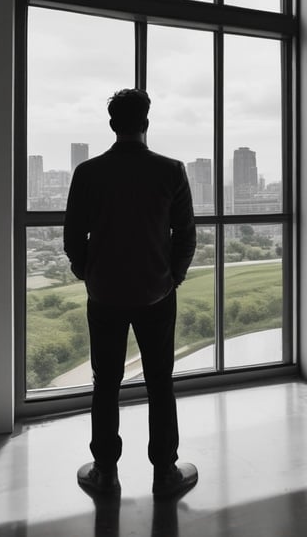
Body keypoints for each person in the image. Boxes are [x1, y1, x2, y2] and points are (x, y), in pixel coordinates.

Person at [64, 88, 198, 499]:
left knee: (105, 382)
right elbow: (185, 235)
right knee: (160, 381)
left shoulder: (88, 173)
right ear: (146, 123)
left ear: (112, 125)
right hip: (156, 291)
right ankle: (165, 471)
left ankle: (105, 472)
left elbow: (73, 236)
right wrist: (172, 277)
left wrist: (89, 274)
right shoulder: (171, 170)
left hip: (104, 293)